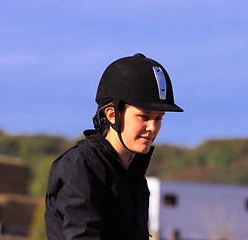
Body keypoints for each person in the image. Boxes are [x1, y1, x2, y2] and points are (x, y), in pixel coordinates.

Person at [45, 53, 183, 239]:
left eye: (159, 118)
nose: (153, 127)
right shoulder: (81, 167)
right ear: (111, 114)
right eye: (144, 116)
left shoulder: (134, 174)